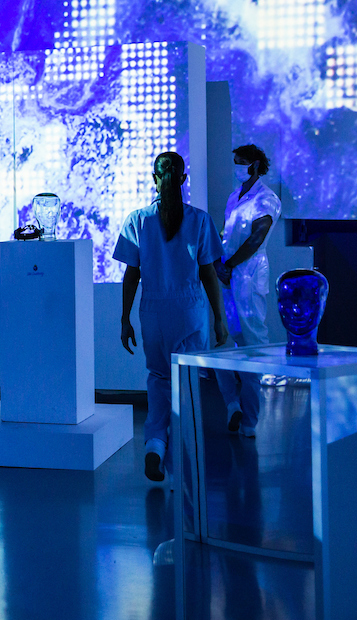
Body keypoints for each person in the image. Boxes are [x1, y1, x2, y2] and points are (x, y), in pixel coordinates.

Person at [115, 151, 230, 482]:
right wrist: (219, 318)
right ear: (183, 179)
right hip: (189, 312)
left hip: (153, 313)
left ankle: (154, 445)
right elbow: (208, 273)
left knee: (158, 378)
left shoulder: (137, 220)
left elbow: (131, 275)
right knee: (188, 384)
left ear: (154, 178)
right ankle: (184, 462)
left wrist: (124, 319)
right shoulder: (200, 220)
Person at [213, 144, 282, 435]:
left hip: (249, 275)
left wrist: (229, 264)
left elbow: (256, 239)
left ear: (254, 165)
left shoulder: (267, 199)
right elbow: (225, 233)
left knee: (253, 345)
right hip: (228, 275)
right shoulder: (234, 196)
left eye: (240, 162)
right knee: (222, 341)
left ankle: (251, 421)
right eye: (235, 162)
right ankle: (233, 405)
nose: (236, 167)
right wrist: (219, 263)